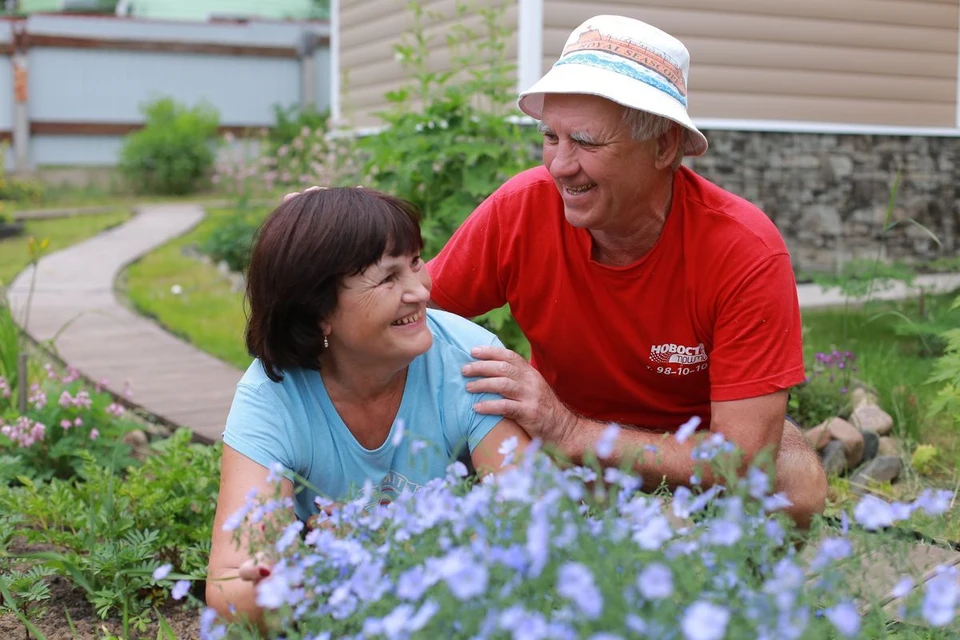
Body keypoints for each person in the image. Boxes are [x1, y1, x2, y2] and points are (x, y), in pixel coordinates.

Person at [425, 15, 828, 526]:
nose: (559, 165)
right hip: (558, 445)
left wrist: (574, 432)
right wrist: (333, 252)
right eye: (551, 136)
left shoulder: (743, 250)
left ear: (663, 146)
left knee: (797, 484)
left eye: (587, 143)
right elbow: (416, 306)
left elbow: (742, 458)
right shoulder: (523, 208)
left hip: (687, 454)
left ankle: (726, 590)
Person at [206, 187, 530, 624]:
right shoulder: (273, 396)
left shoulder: (471, 360)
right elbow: (229, 582)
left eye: (415, 263)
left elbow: (529, 517)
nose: (419, 291)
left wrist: (394, 557)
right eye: (388, 278)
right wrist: (272, 589)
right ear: (318, 311)